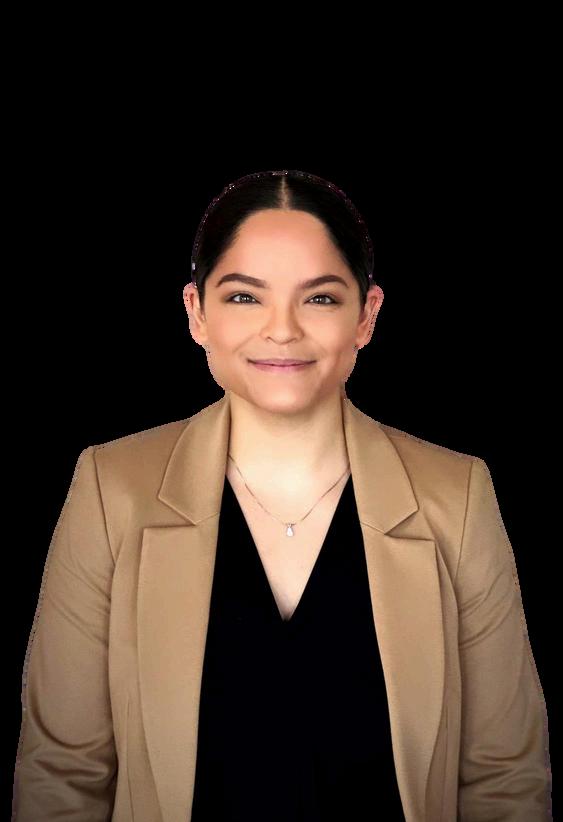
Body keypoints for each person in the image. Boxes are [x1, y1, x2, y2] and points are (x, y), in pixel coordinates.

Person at [12, 170, 551, 821]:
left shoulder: (457, 497)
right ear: (196, 312)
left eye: (319, 298)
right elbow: (63, 772)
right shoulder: (112, 489)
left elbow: (503, 775)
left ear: (367, 315)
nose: (282, 330)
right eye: (245, 297)